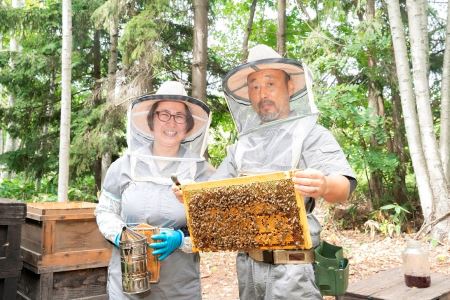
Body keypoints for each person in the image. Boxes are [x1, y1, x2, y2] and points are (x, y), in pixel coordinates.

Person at [202, 44, 356, 299]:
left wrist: (324, 185)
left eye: (270, 84)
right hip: (248, 268)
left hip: (294, 272)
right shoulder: (241, 147)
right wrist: (186, 192)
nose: (262, 93)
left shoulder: (310, 134)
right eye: (254, 87)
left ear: (290, 87)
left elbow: (344, 187)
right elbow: (210, 193)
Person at [95, 81, 214, 299]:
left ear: (188, 126)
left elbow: (215, 226)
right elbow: (104, 211)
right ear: (151, 120)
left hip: (179, 285)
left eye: (179, 116)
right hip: (127, 282)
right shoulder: (123, 166)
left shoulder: (202, 172)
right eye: (164, 114)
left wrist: (182, 238)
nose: (172, 122)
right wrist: (121, 235)